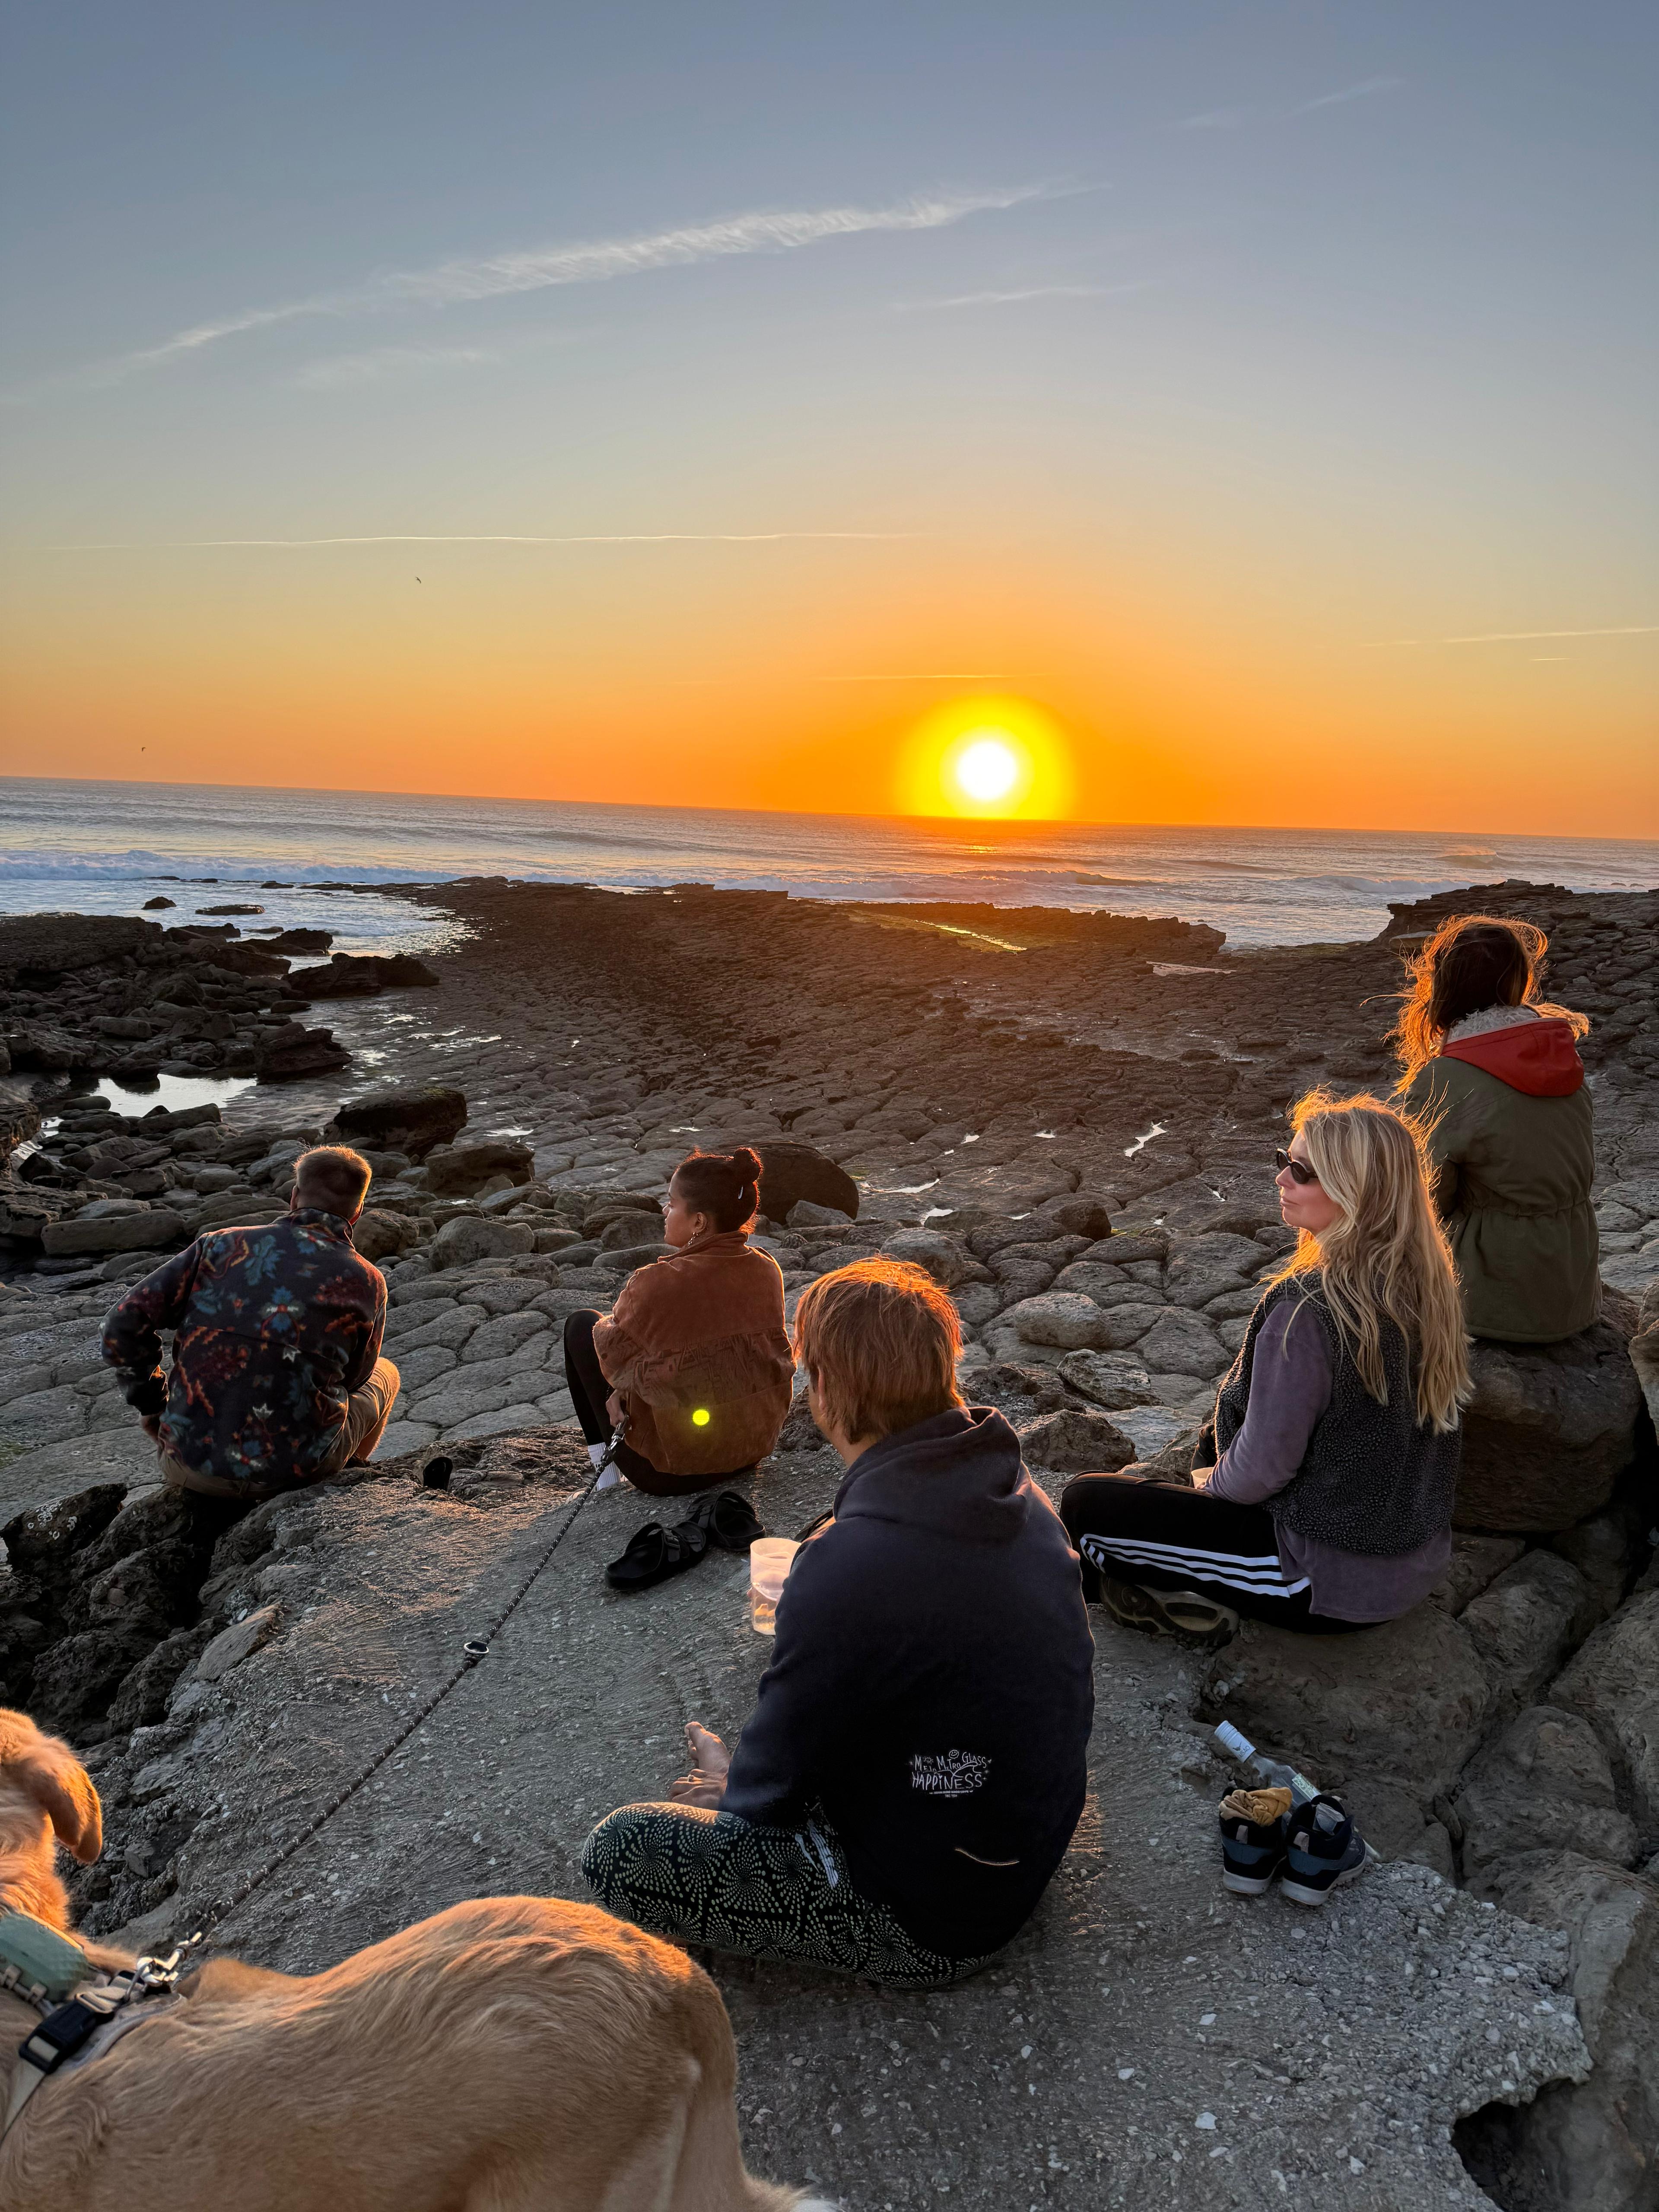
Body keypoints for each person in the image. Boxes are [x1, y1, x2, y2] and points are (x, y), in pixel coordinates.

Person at [581, 1259, 1095, 1987]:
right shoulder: (1015, 1492)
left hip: (938, 1918)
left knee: (621, 1851)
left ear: (822, 1386)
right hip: (1018, 1839)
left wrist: (738, 1791)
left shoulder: (853, 1561)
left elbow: (770, 1798)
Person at [1061, 1092, 1469, 1638]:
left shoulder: (1310, 1308)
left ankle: (1126, 1602)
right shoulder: (1426, 1286)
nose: (1282, 1178)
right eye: (1285, 1159)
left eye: (1302, 1171)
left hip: (1320, 1580)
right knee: (1199, 1453)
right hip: (1408, 1560)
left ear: (1356, 1190)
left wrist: (1206, 1498)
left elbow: (1260, 1471)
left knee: (1086, 1505)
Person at [102, 1144, 400, 1501]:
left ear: (294, 1197)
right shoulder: (368, 1281)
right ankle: (337, 1484)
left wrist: (152, 1404)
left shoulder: (218, 1246)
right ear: (358, 1213)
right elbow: (355, 1379)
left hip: (187, 1464)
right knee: (387, 1374)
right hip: (293, 1475)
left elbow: (122, 1323)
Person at [1392, 912, 1597, 1341]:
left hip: (1494, 1294)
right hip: (1574, 1285)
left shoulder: (1445, 1077)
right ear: (1518, 981)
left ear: (1444, 986)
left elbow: (1427, 1200)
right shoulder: (1562, 1057)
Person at [562, 1147, 792, 1497]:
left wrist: (623, 1387)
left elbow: (613, 1351)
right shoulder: (766, 1267)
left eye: (672, 1203)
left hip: (671, 1473)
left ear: (699, 1221)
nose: (665, 1211)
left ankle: (605, 1481)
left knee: (582, 1326)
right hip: (751, 1451)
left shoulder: (656, 1280)